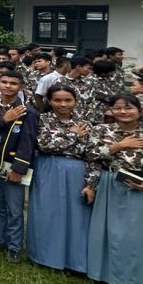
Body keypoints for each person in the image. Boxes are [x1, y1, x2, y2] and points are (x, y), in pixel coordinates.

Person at [82, 94, 143, 284]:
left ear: (140, 112)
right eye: (118, 108)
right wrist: (120, 146)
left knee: (137, 237)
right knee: (112, 235)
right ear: (111, 111)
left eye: (129, 108)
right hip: (110, 186)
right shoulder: (102, 131)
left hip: (139, 191)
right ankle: (116, 279)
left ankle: (139, 279)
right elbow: (91, 156)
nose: (123, 112)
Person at [28, 83, 91, 274]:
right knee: (47, 211)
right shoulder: (42, 120)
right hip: (49, 168)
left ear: (76, 101)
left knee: (76, 214)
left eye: (68, 100)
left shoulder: (85, 123)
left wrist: (92, 182)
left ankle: (74, 260)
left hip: (78, 171)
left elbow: (90, 151)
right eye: (57, 100)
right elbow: (45, 145)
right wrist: (72, 135)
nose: (63, 104)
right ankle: (45, 256)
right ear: (50, 101)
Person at [0, 69, 38, 263]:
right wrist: (3, 120)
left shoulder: (28, 111)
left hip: (13, 166)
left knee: (14, 209)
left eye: (13, 83)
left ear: (21, 86)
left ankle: (14, 246)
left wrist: (19, 169)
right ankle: (0, 240)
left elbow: (28, 142)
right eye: (4, 82)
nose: (7, 86)